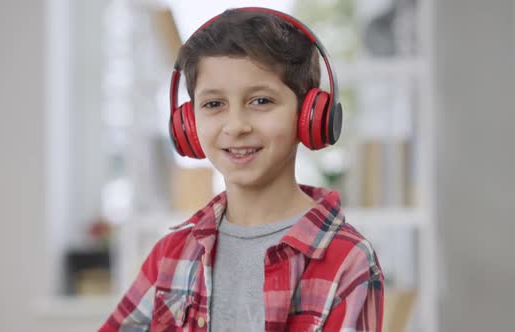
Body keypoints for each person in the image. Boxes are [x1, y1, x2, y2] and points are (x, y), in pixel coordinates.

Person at [99, 7, 383, 332]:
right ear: (189, 125)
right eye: (213, 104)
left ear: (309, 116)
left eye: (261, 101)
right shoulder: (172, 256)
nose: (236, 127)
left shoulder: (347, 260)